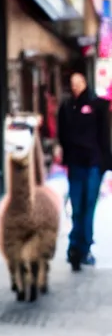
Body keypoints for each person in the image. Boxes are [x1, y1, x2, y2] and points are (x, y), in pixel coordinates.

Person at [55, 72, 112, 269]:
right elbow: (62, 134)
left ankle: (83, 248)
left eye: (78, 83)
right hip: (75, 164)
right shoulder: (66, 107)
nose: (76, 86)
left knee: (88, 207)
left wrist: (106, 163)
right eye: (73, 83)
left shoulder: (98, 105)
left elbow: (105, 137)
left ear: (85, 83)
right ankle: (75, 246)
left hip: (93, 164)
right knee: (77, 207)